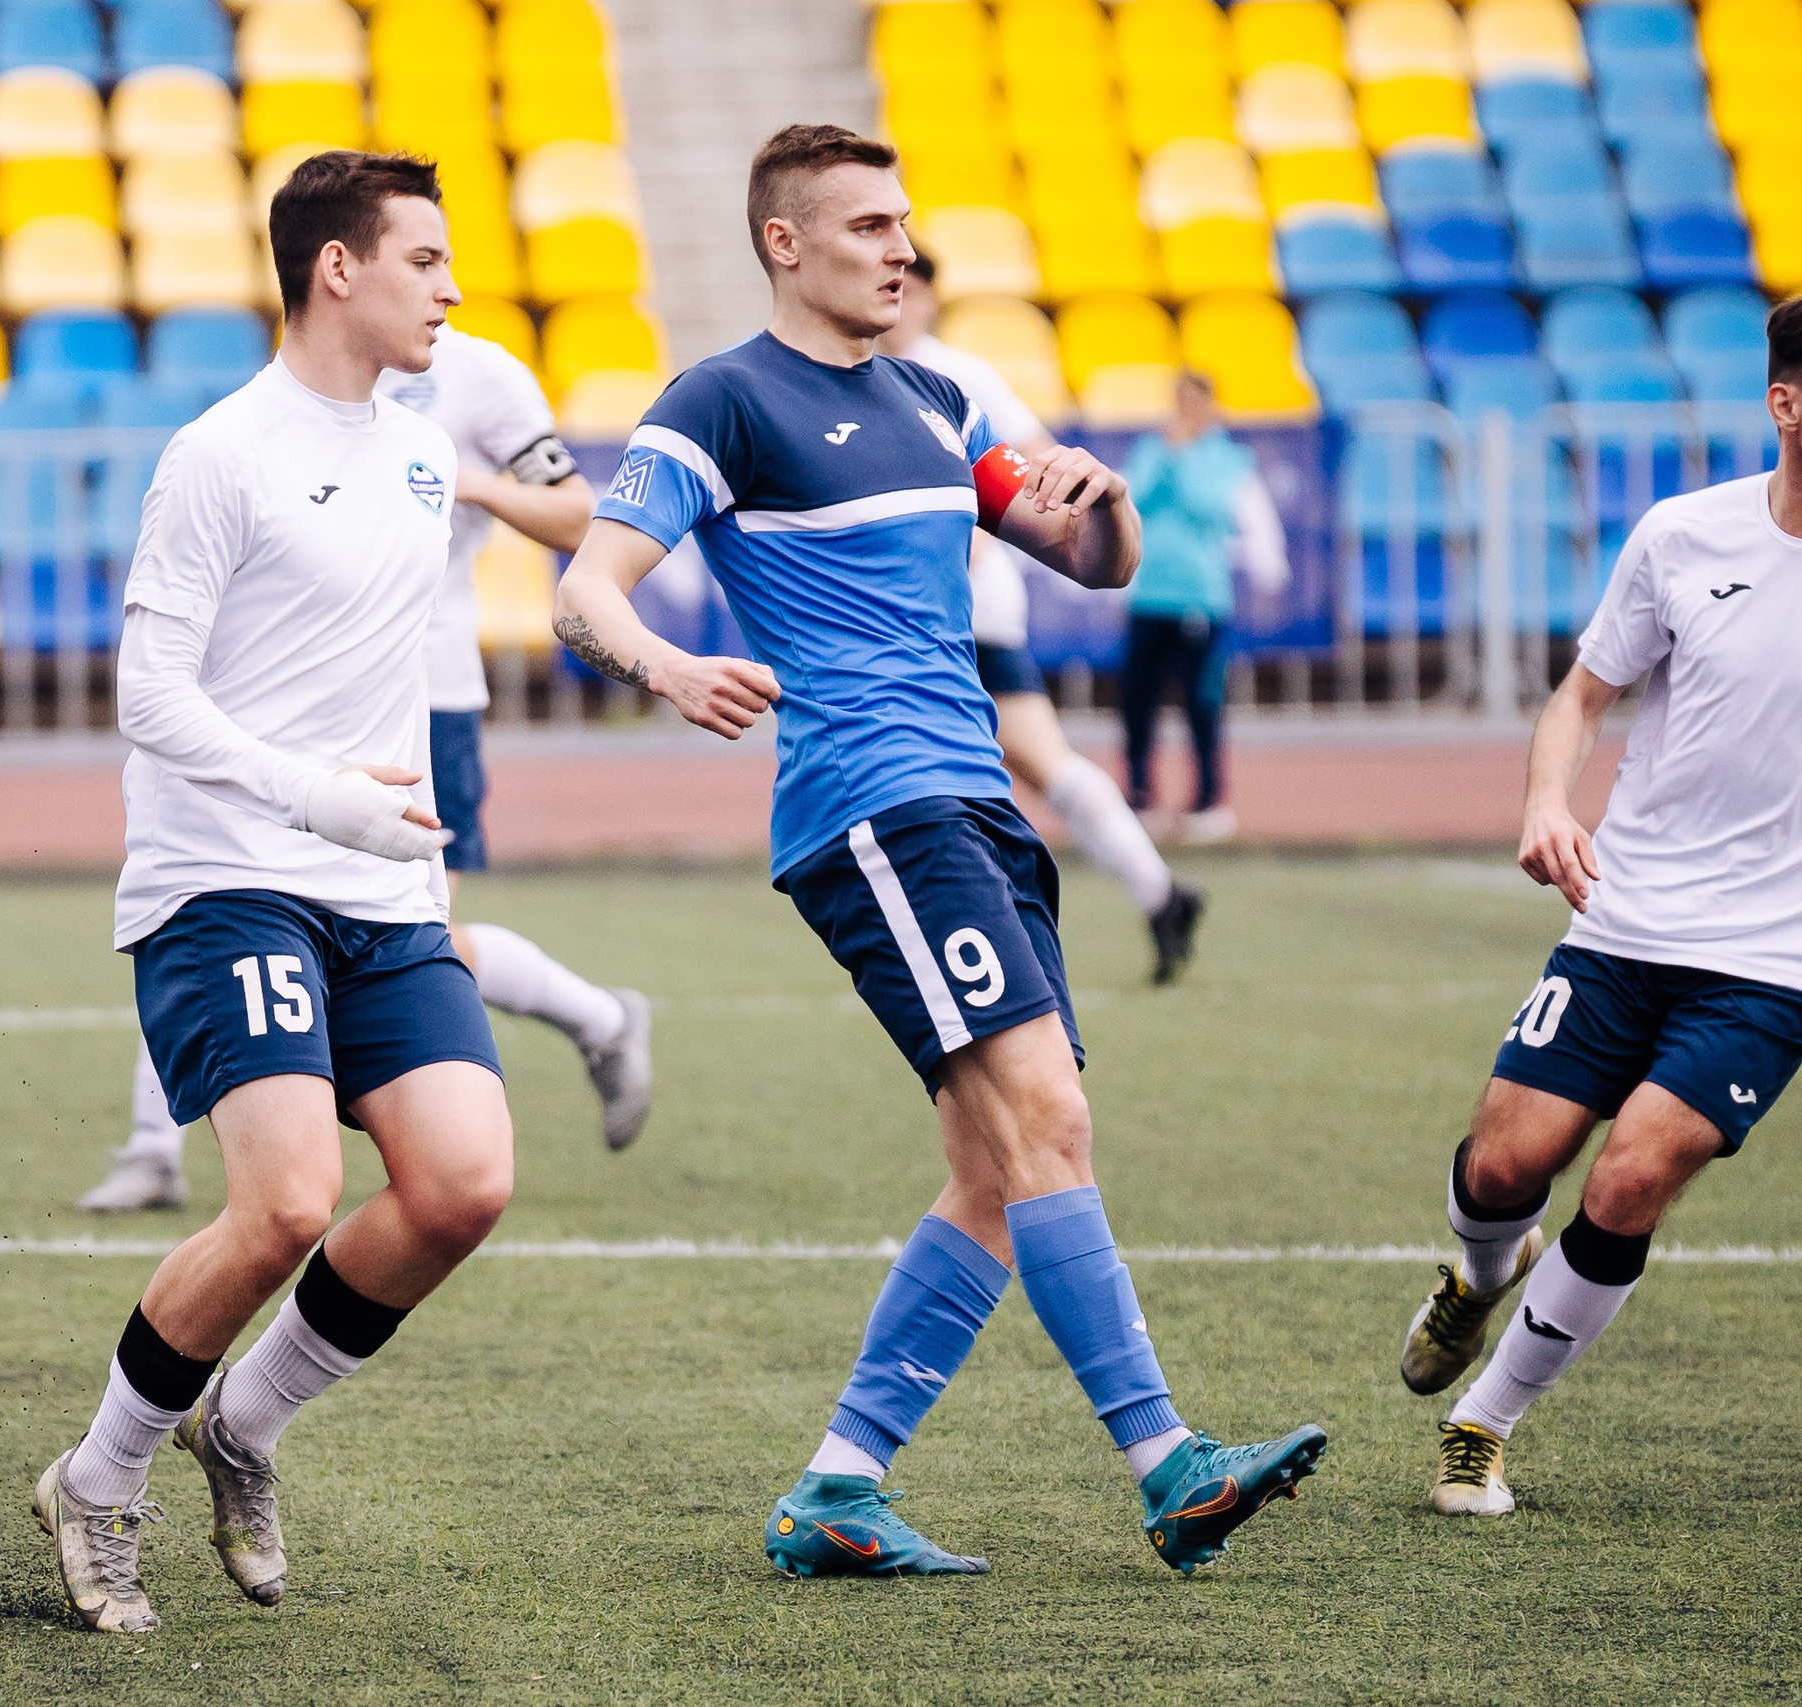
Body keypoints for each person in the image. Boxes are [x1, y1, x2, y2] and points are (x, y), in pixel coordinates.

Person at [551, 125, 1326, 1578]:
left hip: (975, 803)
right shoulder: (721, 400)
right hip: (877, 808)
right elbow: (588, 589)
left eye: (904, 226)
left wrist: (1107, 510)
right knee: (1049, 1121)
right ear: (786, 242)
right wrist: (667, 665)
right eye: (867, 227)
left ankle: (838, 1487)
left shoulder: (934, 394)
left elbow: (1081, 559)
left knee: (992, 1164)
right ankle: (1170, 1461)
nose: (900, 249)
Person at [1394, 293, 1802, 1517]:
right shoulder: (1680, 537)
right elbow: (1578, 699)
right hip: (1626, 916)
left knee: (1626, 1182)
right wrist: (1549, 802)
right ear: (1787, 403)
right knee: (1506, 1164)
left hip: (1783, 952)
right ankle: (1480, 1274)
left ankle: (1481, 1424)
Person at [35, 151, 517, 1633]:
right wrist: (304, 795)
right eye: (425, 260)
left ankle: (239, 1425)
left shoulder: (428, 454)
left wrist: (415, 874)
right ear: (337, 270)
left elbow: (375, 690)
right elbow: (147, 693)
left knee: (461, 1183)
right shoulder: (221, 451)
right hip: (228, 873)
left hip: (377, 889)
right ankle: (98, 1477)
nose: (449, 287)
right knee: (289, 1198)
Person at [76, 325, 656, 1213]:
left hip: (430, 695)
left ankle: (599, 1018)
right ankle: (157, 1145)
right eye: (422, 258)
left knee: (418, 936)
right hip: (298, 705)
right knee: (230, 892)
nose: (443, 285)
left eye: (441, 256)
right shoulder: (292, 388)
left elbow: (579, 515)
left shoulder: (477, 376)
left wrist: (461, 481)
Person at [877, 251, 1207, 982]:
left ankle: (990, 943)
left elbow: (1035, 465)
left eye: (912, 286)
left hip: (960, 606)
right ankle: (1159, 892)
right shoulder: (869, 370)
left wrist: (969, 538)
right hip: (947, 607)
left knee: (948, 775)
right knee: (1039, 763)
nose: (899, 297)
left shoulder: (955, 374)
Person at [1117, 371, 1288, 844]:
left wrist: (1183, 458)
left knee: (1202, 705)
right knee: (1137, 703)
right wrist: (1167, 457)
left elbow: (1209, 507)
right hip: (1148, 593)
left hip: (1199, 598)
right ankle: (1139, 796)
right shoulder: (1151, 448)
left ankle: (1208, 802)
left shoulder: (1228, 457)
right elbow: (1134, 501)